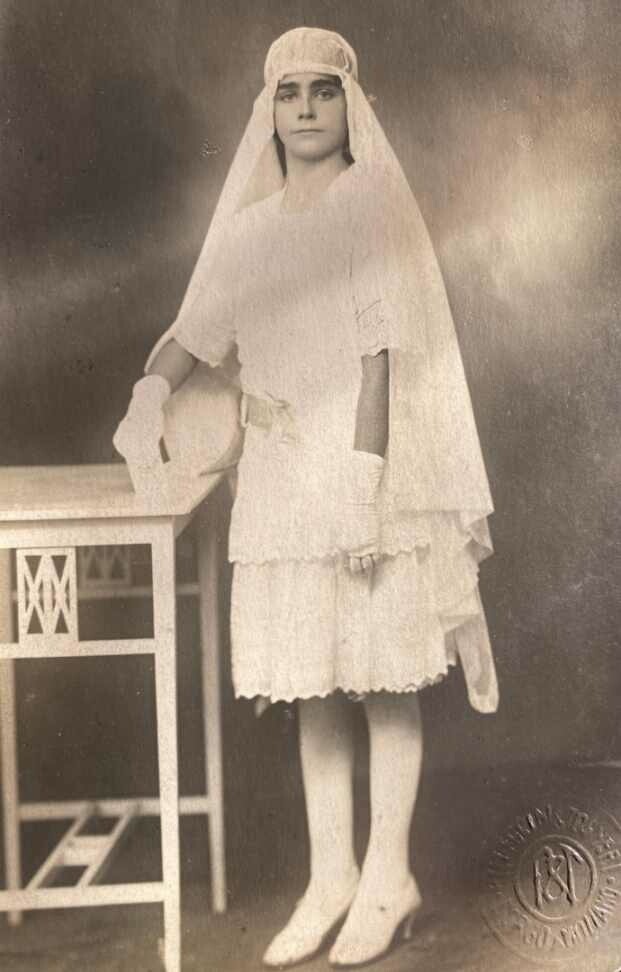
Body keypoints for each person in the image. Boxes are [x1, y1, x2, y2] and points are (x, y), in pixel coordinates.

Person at [114, 27, 499, 968]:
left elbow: (377, 365)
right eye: (289, 95)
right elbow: (198, 330)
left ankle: (387, 874)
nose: (306, 110)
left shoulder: (368, 210)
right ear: (269, 112)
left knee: (375, 678)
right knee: (313, 687)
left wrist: (363, 492)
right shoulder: (247, 233)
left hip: (358, 466)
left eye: (323, 92)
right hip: (280, 479)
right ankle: (330, 878)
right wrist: (150, 390)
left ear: (348, 104)